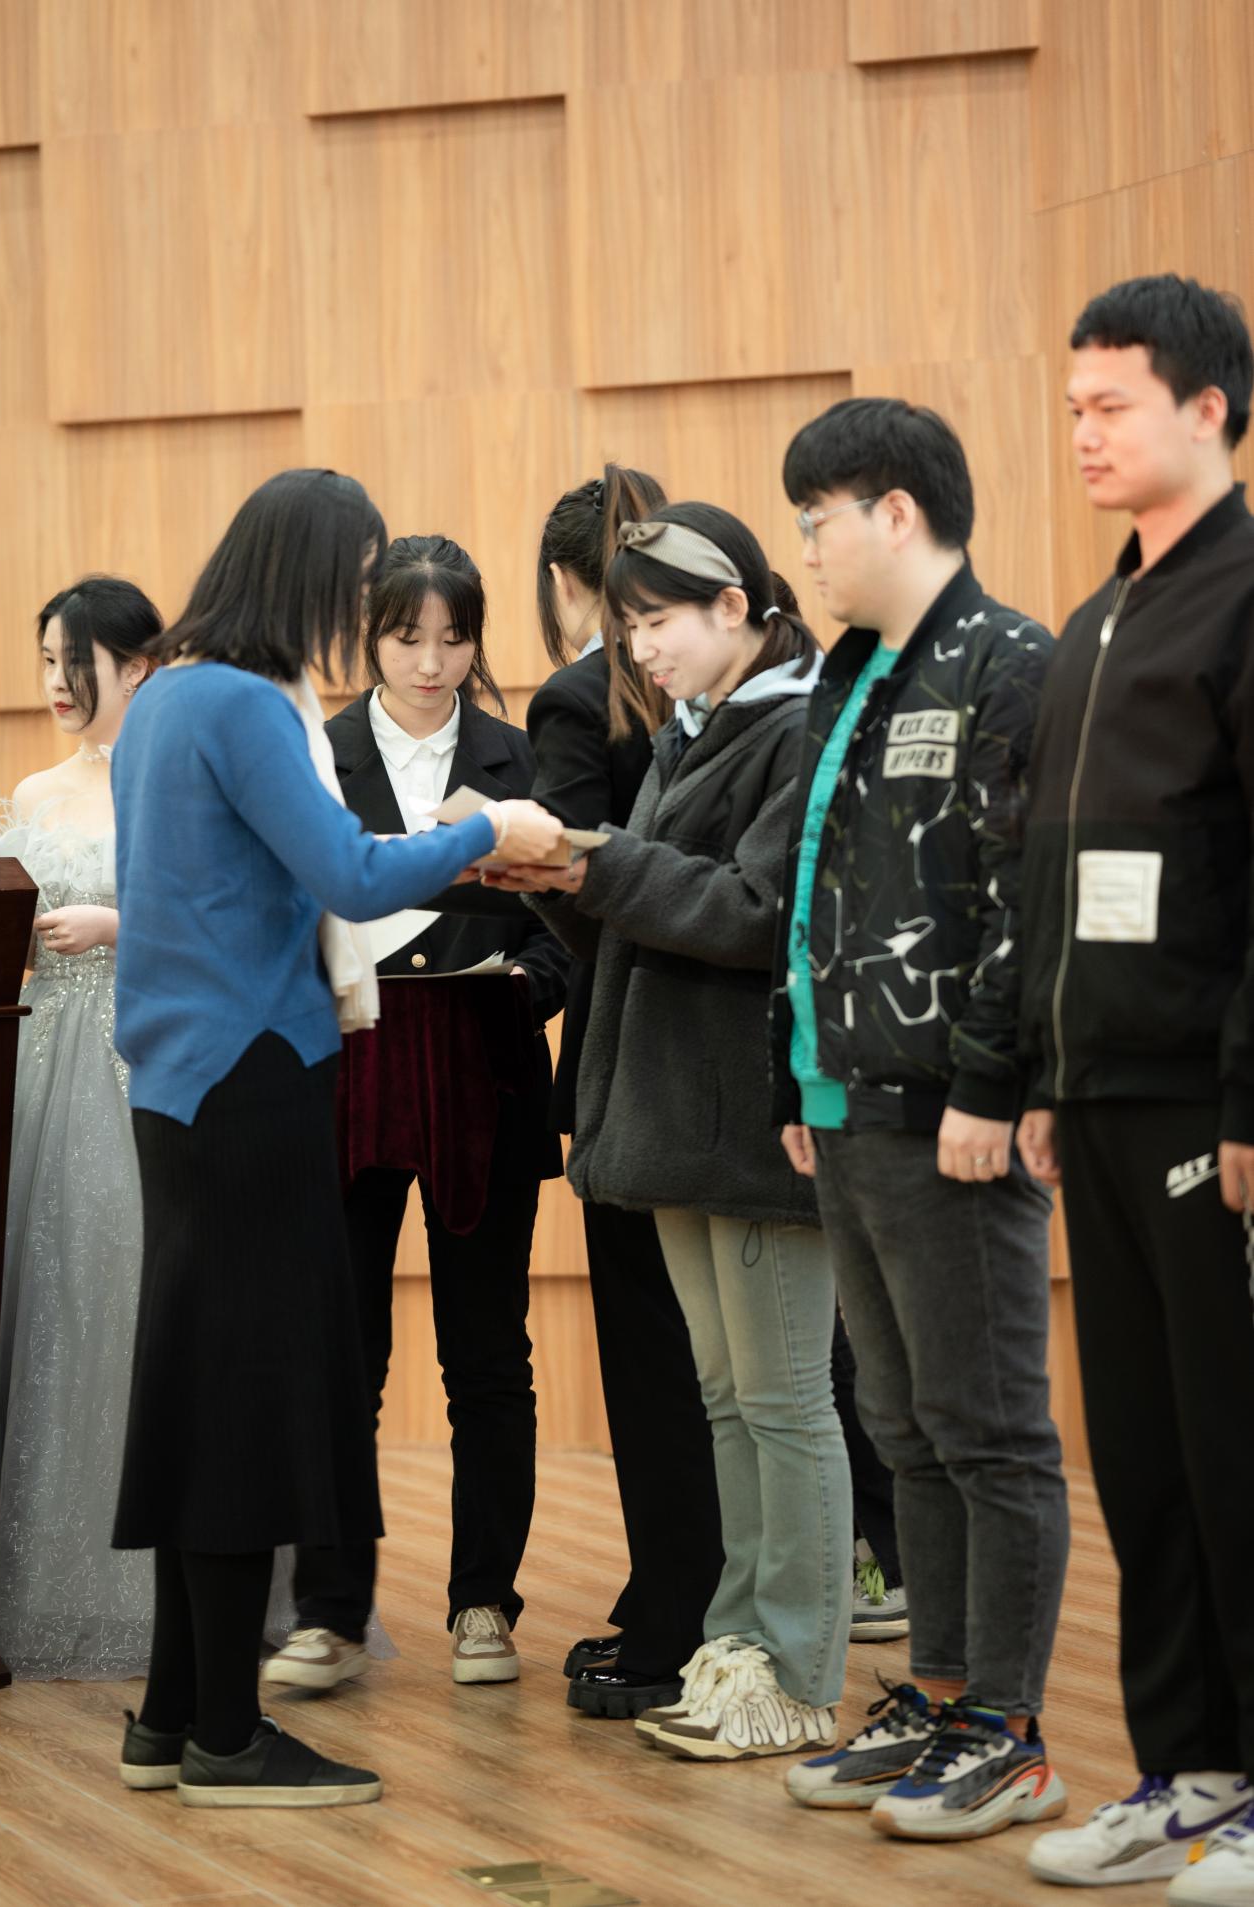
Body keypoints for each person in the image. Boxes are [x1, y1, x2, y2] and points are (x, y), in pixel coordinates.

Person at [108, 469, 562, 1809]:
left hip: (176, 1083)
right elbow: (354, 875)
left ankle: (172, 1716)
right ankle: (229, 1736)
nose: (360, 611)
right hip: (253, 1075)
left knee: (199, 1399)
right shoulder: (248, 702)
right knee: (248, 1405)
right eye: (358, 582)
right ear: (306, 568)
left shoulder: (165, 694)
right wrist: (488, 828)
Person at [496, 500, 854, 1761]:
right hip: (680, 1116)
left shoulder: (801, 724)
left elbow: (758, 911)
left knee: (786, 1402)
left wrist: (593, 864)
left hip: (757, 1120)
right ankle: (741, 1646)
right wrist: (560, 880)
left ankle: (801, 1668)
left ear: (735, 608)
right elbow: (649, 913)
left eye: (657, 622)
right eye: (627, 624)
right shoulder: (694, 728)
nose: (638, 648)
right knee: (729, 1401)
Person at [773, 397, 1069, 1840]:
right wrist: (798, 1077)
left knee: (987, 1425)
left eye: (816, 519)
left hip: (953, 1111)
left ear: (895, 510)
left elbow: (1028, 897)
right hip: (847, 1105)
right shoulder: (849, 671)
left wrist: (991, 1082)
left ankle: (1008, 1726)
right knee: (902, 1422)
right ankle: (942, 1691)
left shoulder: (1010, 660)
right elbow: (816, 888)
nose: (806, 549)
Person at [1019, 275, 1254, 1901]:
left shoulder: (1242, 598)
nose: (1084, 433)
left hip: (1205, 1104)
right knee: (1143, 1453)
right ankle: (1189, 1767)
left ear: (1208, 410)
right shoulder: (1098, 618)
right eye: (1073, 407)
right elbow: (1054, 876)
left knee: (1234, 1449)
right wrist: (1046, 1072)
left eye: (1110, 405)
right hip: (1094, 1097)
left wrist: (1245, 1101)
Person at [265, 535, 568, 1694]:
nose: (432, 662)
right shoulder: (320, 753)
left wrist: (528, 982)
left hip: (482, 1068)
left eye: (453, 637)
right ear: (370, 637)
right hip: (348, 1070)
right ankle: (331, 1612)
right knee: (343, 1352)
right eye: (407, 637)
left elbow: (567, 920)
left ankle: (485, 1601)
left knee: (486, 1353)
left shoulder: (516, 755)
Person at [526, 467, 727, 1721]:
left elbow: (574, 882)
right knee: (741, 1369)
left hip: (630, 1055)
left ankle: (672, 1620)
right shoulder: (726, 698)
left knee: (657, 1363)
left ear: (565, 582)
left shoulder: (573, 699)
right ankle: (708, 1600)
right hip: (729, 1060)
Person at [0, 577, 160, 1679]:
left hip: (139, 1062)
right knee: (37, 1294)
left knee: (125, 1293)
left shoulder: (169, 782)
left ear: (137, 665)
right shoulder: (33, 791)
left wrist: (118, 925)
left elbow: (219, 918)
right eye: (47, 660)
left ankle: (146, 1583)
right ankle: (31, 1575)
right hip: (38, 1059)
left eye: (77, 661)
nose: (57, 682)